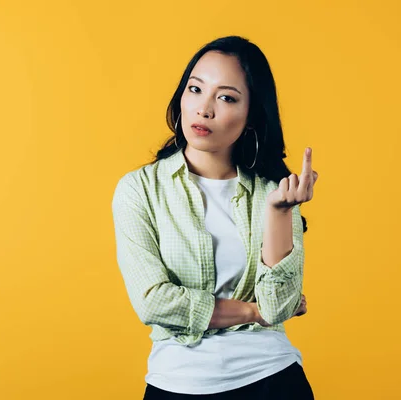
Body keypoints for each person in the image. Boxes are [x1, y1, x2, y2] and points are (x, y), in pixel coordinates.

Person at [111, 35, 319, 399]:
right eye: (195, 89)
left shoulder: (275, 192)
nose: (203, 109)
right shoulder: (139, 190)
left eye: (226, 97)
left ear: (252, 117)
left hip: (273, 378)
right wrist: (255, 312)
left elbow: (281, 305)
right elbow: (153, 302)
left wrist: (279, 212)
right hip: (176, 384)